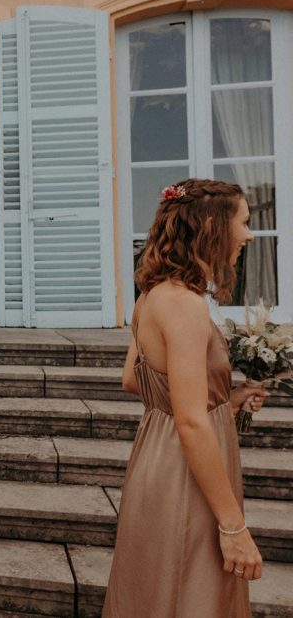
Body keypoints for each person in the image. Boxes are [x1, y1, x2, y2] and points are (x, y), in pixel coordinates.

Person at [103, 178, 267, 617]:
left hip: (156, 459)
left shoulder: (151, 297)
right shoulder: (186, 305)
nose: (249, 235)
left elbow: (134, 380)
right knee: (191, 594)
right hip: (186, 471)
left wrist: (226, 402)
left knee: (156, 590)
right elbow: (191, 420)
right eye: (244, 223)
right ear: (213, 227)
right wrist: (234, 527)